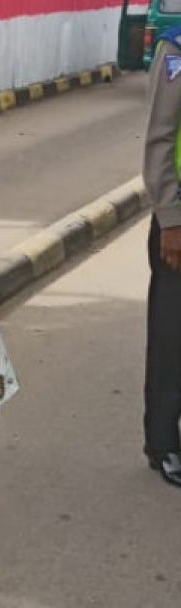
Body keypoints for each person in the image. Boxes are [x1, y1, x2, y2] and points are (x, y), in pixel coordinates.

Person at [141, 28, 181, 488]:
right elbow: (159, 139)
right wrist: (169, 218)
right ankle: (164, 442)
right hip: (180, 225)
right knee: (173, 336)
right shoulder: (176, 49)